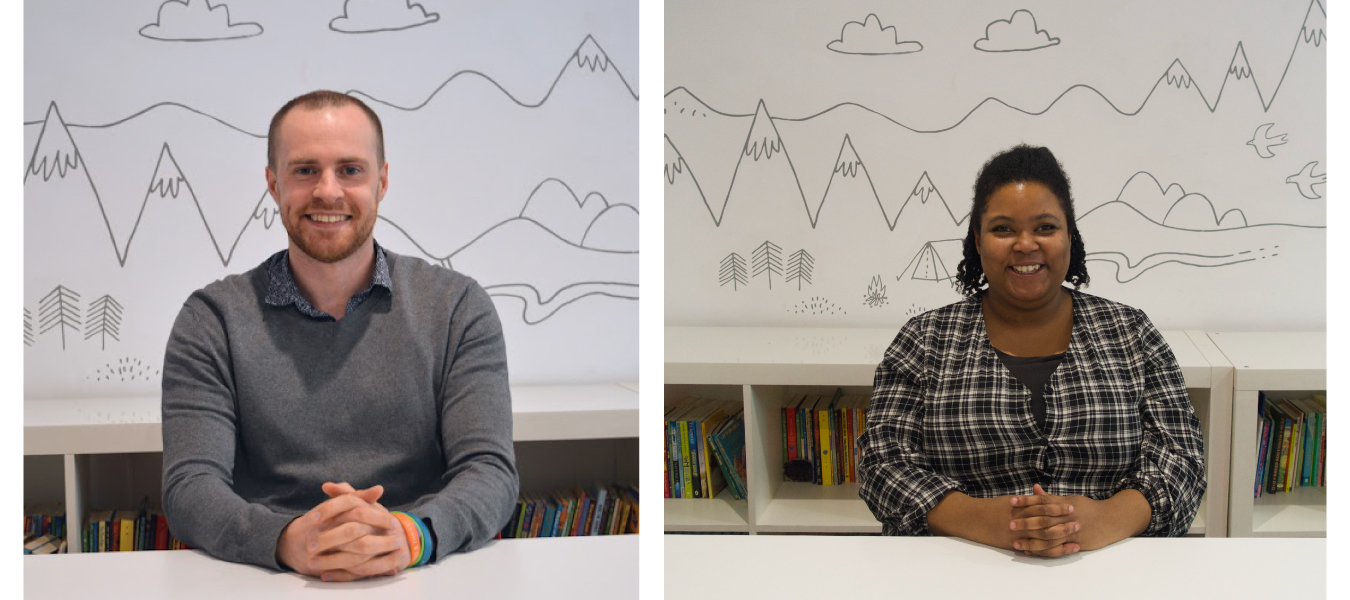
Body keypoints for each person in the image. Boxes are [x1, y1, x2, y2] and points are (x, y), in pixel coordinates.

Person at [161, 90, 519, 581]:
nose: (328, 192)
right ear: (272, 183)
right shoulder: (212, 320)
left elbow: (490, 472)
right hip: (266, 576)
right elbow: (190, 486)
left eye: (350, 170)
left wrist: (408, 535)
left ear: (382, 180)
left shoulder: (457, 307)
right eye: (305, 170)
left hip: (420, 574)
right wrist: (287, 540)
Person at [856, 145, 1205, 558]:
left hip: (1111, 566)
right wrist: (986, 520)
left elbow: (1181, 456)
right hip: (957, 570)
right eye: (1003, 229)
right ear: (978, 240)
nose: (1025, 244)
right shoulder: (924, 339)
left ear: (1070, 237)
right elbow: (882, 463)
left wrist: (1105, 519)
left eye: (1045, 227)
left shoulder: (1131, 332)